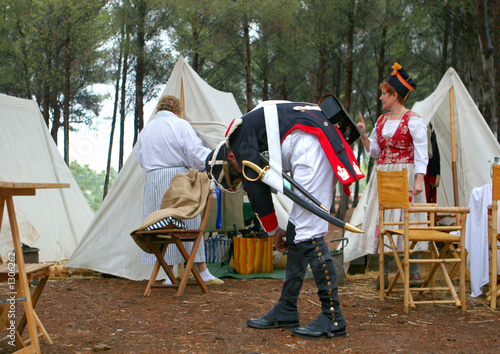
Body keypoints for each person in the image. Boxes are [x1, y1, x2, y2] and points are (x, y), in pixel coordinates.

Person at [205, 98, 365, 339]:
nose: (241, 180)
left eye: (235, 175)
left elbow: (255, 185)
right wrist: (280, 230)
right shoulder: (249, 128)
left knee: (309, 236)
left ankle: (333, 317)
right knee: (296, 230)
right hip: (313, 143)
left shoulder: (237, 139)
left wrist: (272, 231)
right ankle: (287, 308)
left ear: (229, 159)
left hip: (311, 147)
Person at [135, 94, 223, 286]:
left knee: (159, 225)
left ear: (160, 109)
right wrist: (211, 163)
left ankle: (169, 274)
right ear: (176, 111)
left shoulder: (146, 130)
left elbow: (140, 158)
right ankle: (201, 272)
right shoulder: (180, 125)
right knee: (187, 221)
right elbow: (195, 153)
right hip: (176, 178)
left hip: (152, 179)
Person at [355, 63, 428, 289]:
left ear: (395, 95)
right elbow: (375, 151)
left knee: (410, 219)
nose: (380, 98)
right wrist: (364, 136)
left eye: (384, 94)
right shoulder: (381, 121)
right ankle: (384, 272)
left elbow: (422, 150)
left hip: (405, 173)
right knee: (384, 219)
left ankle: (413, 271)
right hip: (384, 176)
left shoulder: (413, 119)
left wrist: (419, 178)